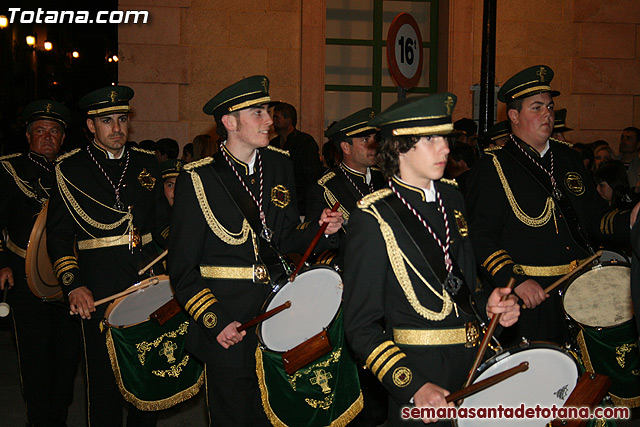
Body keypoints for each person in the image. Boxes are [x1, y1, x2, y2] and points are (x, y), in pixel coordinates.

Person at [169, 75, 343, 426]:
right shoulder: (198, 177)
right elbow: (182, 269)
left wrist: (321, 229)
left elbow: (284, 237)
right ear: (229, 122)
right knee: (233, 416)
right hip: (229, 317)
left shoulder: (279, 164)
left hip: (277, 314)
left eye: (268, 111)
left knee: (274, 414)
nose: (269, 120)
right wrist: (214, 320)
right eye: (258, 112)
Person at [343, 93, 520, 425]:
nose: (446, 148)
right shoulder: (373, 217)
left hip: (474, 364)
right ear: (398, 146)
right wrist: (413, 386)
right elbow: (360, 327)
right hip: (420, 373)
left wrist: (490, 304)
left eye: (444, 137)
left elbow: (461, 289)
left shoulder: (452, 198)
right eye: (430, 139)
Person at [465, 65, 633, 345]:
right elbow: (481, 236)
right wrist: (514, 280)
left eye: (550, 107)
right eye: (537, 107)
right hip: (529, 298)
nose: (547, 114)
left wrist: (630, 220)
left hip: (580, 291)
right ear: (514, 116)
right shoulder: (492, 167)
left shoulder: (569, 158)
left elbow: (595, 219)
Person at [46, 86, 170, 427]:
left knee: (149, 373)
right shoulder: (69, 168)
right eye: (107, 121)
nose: (117, 128)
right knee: (104, 380)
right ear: (90, 126)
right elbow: (58, 236)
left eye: (122, 119)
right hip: (98, 287)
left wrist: (185, 251)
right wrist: (74, 285)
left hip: (147, 281)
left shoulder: (146, 162)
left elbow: (161, 225)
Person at [0, 99, 81, 427]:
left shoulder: (75, 171)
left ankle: (58, 419)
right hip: (23, 278)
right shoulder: (8, 169)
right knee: (35, 361)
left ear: (63, 138)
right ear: (29, 136)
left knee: (66, 359)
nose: (47, 137)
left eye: (54, 131)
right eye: (40, 131)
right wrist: (1, 262)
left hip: (70, 280)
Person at [305, 108, 385, 262]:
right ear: (346, 147)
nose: (374, 145)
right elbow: (315, 245)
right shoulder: (325, 187)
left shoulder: (386, 179)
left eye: (376, 139)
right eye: (365, 140)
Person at [269, 101, 323, 216]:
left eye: (276, 118)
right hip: (278, 203)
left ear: (288, 120)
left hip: (301, 205)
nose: (272, 122)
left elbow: (312, 176)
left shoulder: (305, 142)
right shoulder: (272, 144)